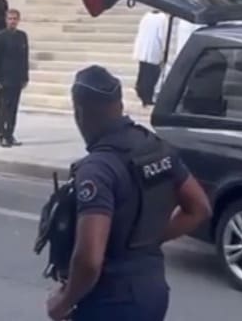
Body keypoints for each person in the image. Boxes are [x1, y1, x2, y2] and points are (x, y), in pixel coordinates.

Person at [45, 66, 210, 321]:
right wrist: (149, 238)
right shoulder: (156, 147)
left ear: (79, 113)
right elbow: (199, 208)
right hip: (152, 290)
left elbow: (89, 259)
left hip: (109, 300)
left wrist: (64, 302)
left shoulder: (97, 169)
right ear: (120, 105)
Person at [0, 9, 29, 147]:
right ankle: (2, 135)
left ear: (18, 20)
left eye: (15, 19)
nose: (13, 21)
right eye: (10, 18)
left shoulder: (22, 36)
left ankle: (10, 134)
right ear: (6, 20)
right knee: (3, 109)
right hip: (3, 78)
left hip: (17, 78)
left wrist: (25, 77)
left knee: (13, 108)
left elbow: (25, 57)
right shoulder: (0, 36)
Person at [131, 9, 167, 107]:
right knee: (152, 74)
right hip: (153, 48)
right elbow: (162, 36)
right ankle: (147, 97)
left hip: (143, 47)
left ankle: (140, 89)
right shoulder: (162, 18)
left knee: (143, 70)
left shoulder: (146, 16)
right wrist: (164, 50)